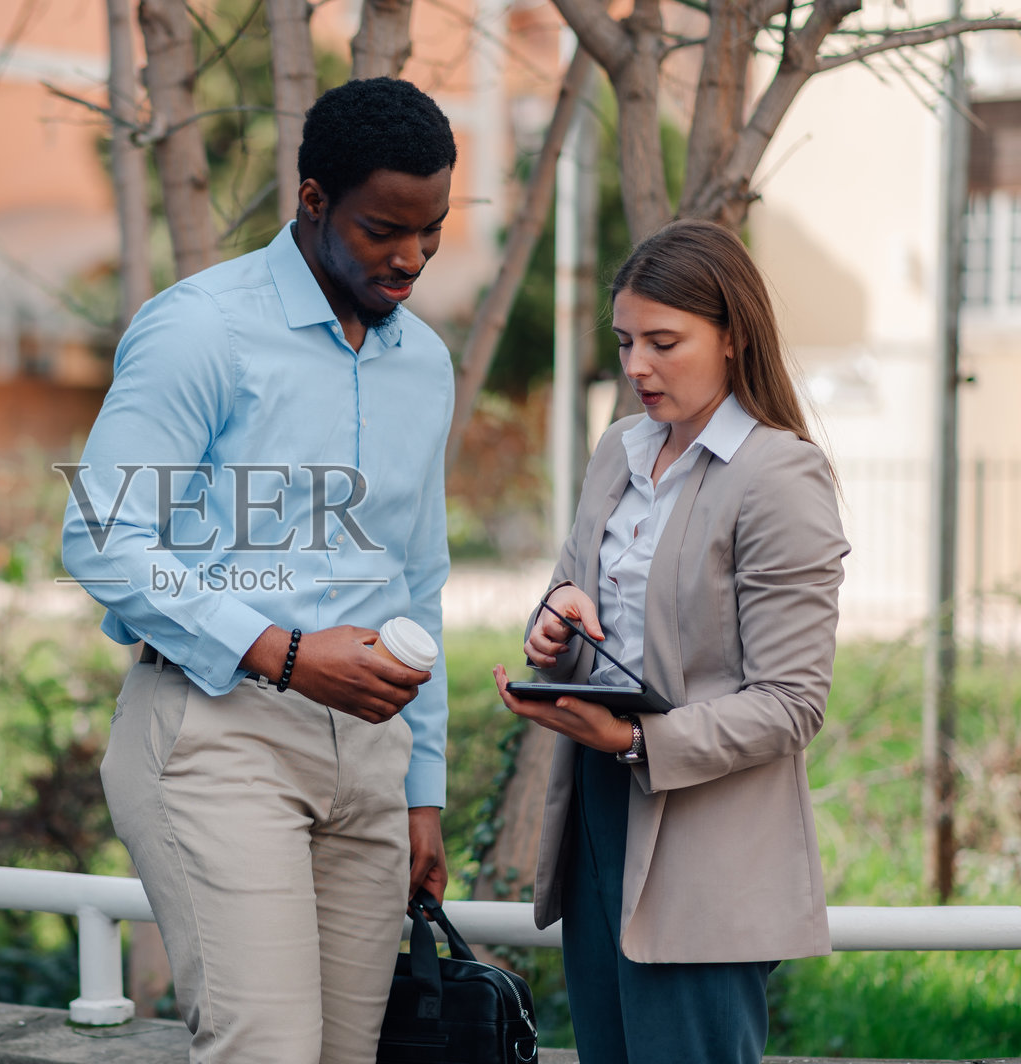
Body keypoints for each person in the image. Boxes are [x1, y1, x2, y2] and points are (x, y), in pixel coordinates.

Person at [60, 77, 457, 1064]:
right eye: (382, 230)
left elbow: (419, 576)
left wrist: (423, 783)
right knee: (264, 1048)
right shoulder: (202, 328)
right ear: (313, 199)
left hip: (370, 752)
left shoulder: (426, 363)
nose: (409, 257)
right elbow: (101, 535)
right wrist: (279, 653)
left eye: (432, 229)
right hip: (217, 733)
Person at [492, 218, 849, 1064]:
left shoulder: (779, 476)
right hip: (595, 817)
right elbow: (581, 599)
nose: (636, 367)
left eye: (663, 341)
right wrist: (558, 621)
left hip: (708, 843)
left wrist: (640, 740)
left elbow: (792, 703)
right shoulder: (619, 449)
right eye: (624, 342)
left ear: (732, 338)